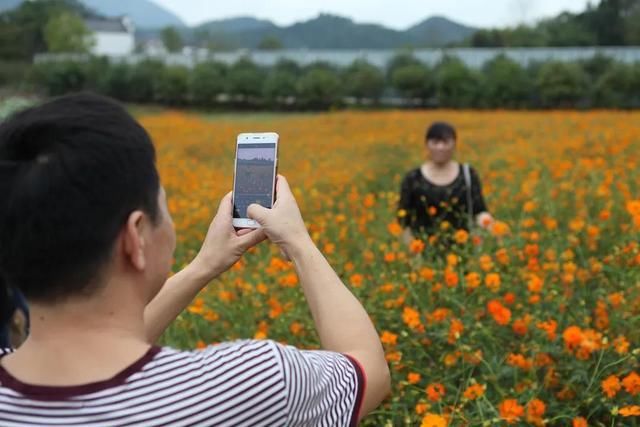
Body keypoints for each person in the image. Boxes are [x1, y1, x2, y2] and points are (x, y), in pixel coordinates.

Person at [0, 94, 390, 426]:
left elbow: (95, 350)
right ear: (136, 236)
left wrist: (205, 265)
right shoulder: (249, 384)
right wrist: (300, 243)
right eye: (162, 206)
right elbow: (367, 371)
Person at [398, 122, 494, 246]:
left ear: (454, 144)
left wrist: (494, 228)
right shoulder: (413, 178)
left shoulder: (467, 174)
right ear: (427, 144)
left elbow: (479, 211)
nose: (440, 147)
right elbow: (404, 221)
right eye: (435, 142)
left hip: (462, 250)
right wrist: (414, 256)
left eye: (446, 142)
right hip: (424, 252)